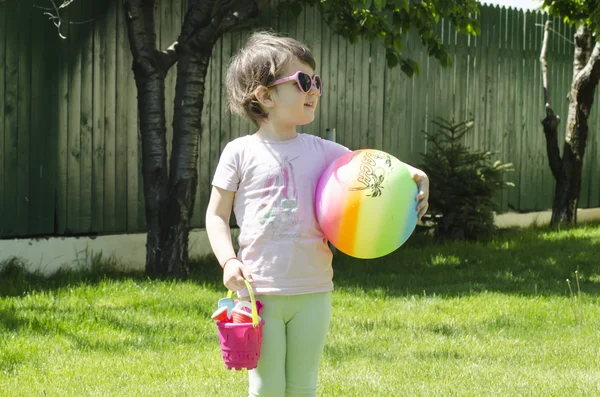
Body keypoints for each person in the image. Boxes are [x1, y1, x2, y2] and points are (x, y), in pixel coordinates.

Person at [205, 31, 430, 397]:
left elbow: (370, 166)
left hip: (314, 291)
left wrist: (414, 174)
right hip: (259, 293)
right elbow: (216, 215)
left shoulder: (323, 150)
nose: (315, 90)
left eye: (317, 81)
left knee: (302, 385)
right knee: (265, 386)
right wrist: (228, 262)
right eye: (303, 81)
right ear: (265, 95)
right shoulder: (239, 153)